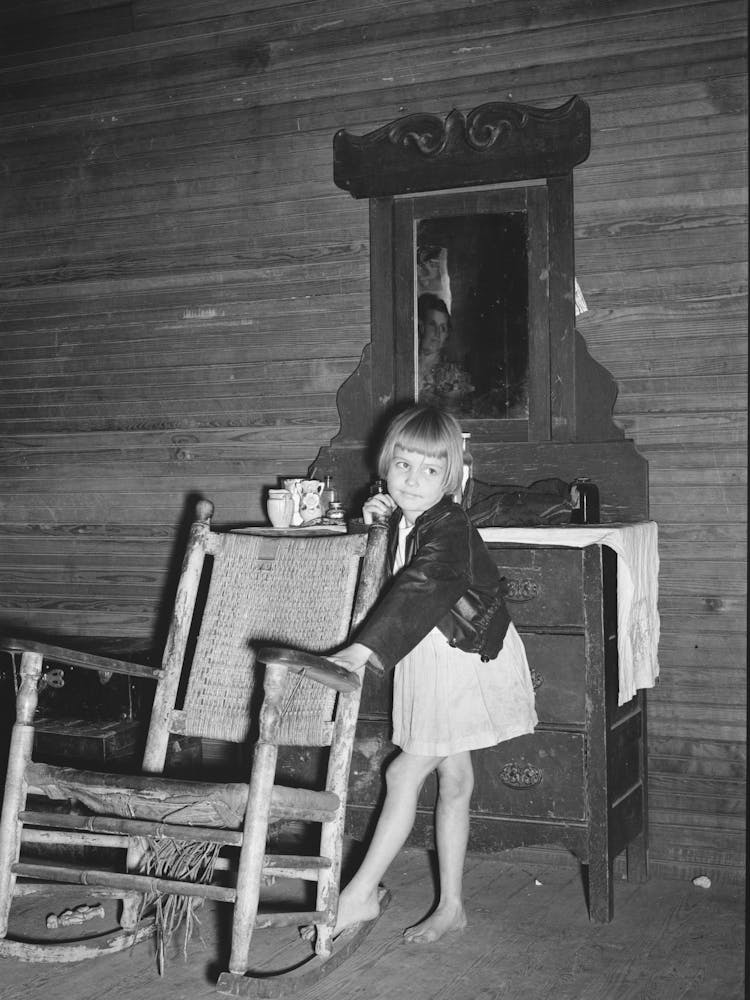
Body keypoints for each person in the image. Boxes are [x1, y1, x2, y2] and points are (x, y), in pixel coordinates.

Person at [330, 405, 538, 945]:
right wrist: (374, 520)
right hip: (434, 655)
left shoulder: (450, 524)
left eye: (429, 471)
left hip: (462, 661)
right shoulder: (406, 516)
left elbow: (425, 580)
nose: (413, 481)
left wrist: (362, 649)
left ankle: (359, 895)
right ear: (386, 464)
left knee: (403, 775)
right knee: (455, 779)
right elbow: (385, 567)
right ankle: (451, 907)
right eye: (403, 466)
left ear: (452, 477)